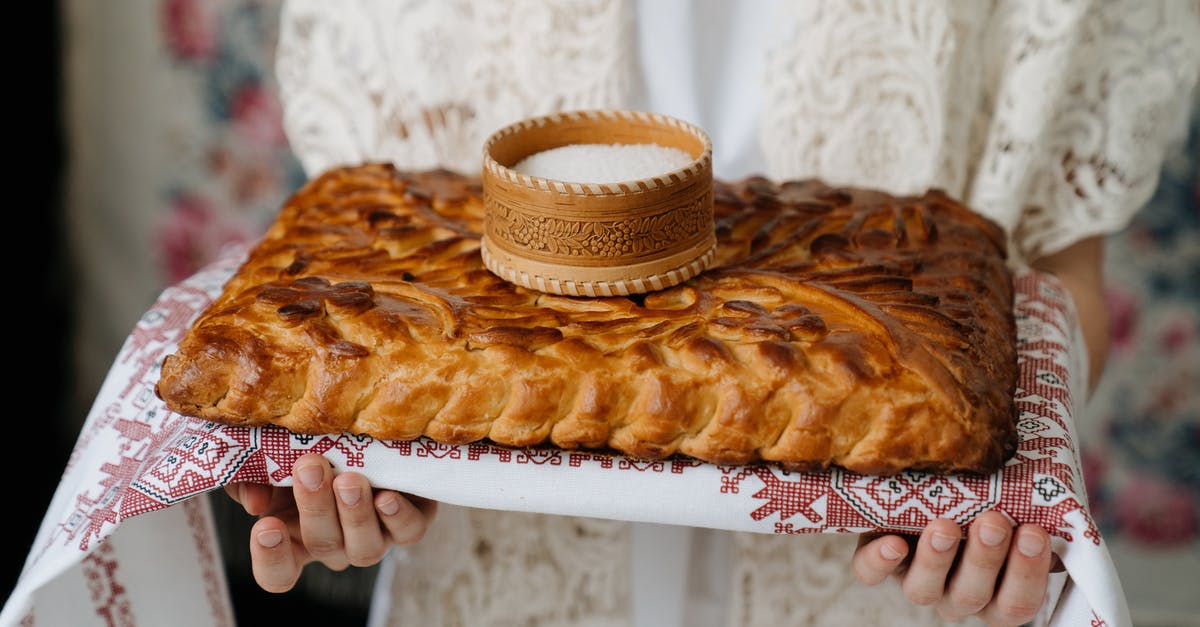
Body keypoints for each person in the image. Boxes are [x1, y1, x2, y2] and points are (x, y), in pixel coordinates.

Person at [225, 1, 1200, 625]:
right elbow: (352, 266)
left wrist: (1009, 489)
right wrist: (338, 460)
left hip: (880, 597)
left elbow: (1055, 273)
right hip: (492, 592)